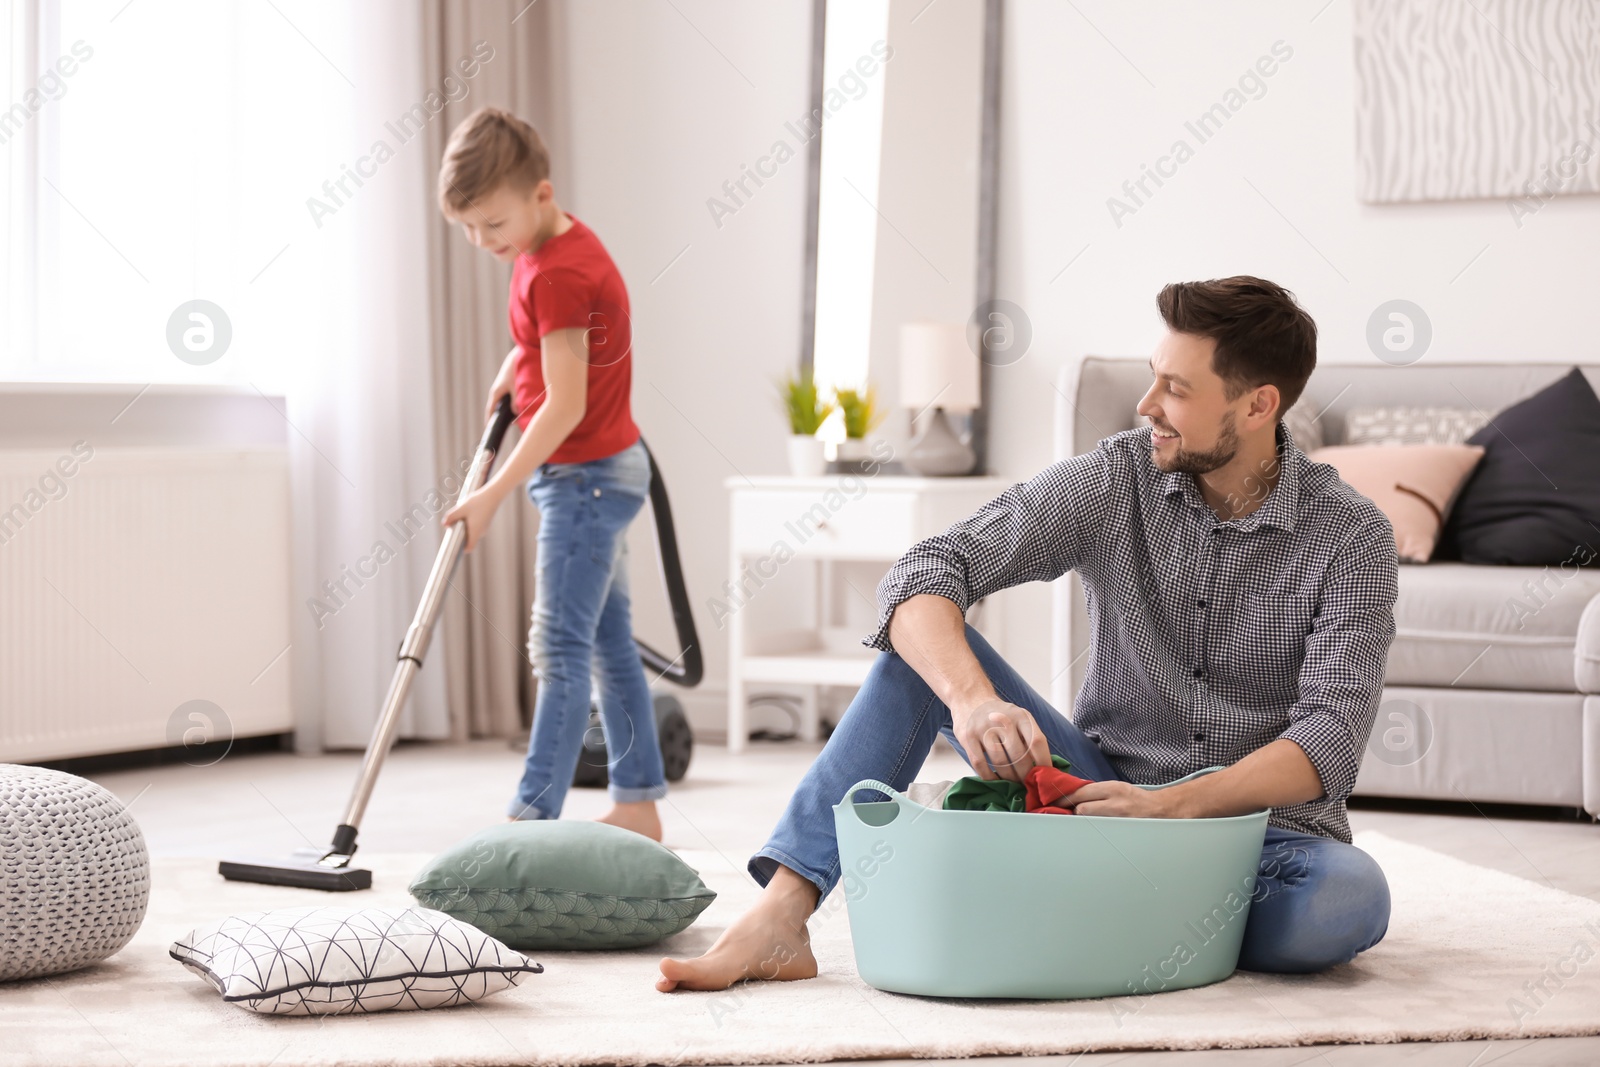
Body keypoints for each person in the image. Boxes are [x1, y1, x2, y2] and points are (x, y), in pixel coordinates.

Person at [658, 276, 1400, 991]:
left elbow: (1328, 738)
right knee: (916, 665)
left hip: (1259, 836)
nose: (1147, 405)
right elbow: (926, 570)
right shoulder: (1116, 479)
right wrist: (972, 699)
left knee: (1345, 902)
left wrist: (1172, 808)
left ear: (1257, 404)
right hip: (1100, 799)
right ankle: (782, 915)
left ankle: (1108, 904)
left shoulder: (1352, 536)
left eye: (1176, 388)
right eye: (1153, 378)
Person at [436, 107, 666, 840]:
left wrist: (490, 494)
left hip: (585, 478)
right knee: (606, 643)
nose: (483, 242)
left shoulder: (561, 271)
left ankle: (531, 817)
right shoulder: (555, 244)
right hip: (602, 469)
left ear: (541, 192)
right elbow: (563, 350)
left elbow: (566, 406)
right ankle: (637, 803)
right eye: (469, 228)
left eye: (493, 224)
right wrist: (519, 360)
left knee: (558, 648)